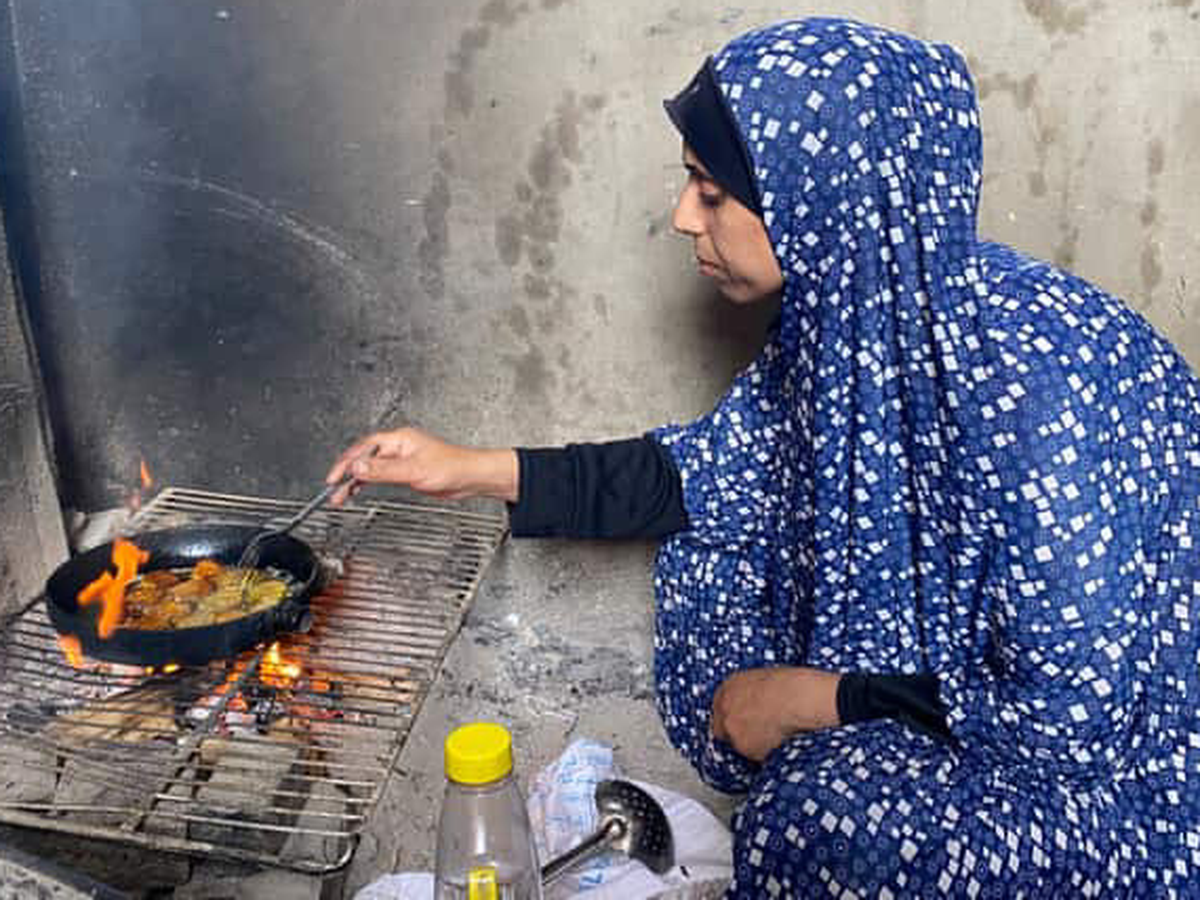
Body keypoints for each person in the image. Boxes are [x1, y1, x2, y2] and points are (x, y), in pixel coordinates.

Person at [328, 17, 1200, 897]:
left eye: (710, 193)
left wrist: (814, 698)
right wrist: (465, 469)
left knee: (814, 825)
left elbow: (1070, 720)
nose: (682, 218)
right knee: (723, 552)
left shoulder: (1047, 379)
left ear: (822, 197)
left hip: (1125, 782)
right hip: (978, 712)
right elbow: (701, 475)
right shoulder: (851, 322)